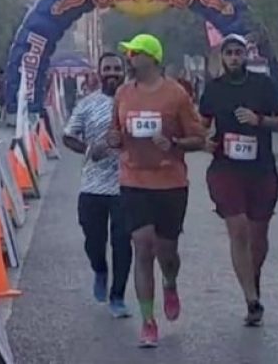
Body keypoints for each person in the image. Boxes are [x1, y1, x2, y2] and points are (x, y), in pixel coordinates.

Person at [107, 33, 206, 348]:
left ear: (152, 57)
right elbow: (116, 132)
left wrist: (173, 143)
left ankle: (170, 281)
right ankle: (148, 321)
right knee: (142, 245)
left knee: (166, 251)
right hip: (133, 179)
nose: (130, 57)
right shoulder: (123, 93)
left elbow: (199, 138)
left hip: (170, 182)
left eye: (135, 52)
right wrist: (113, 139)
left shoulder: (175, 94)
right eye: (128, 52)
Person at [199, 34, 278, 326]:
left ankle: (253, 280)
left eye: (239, 52)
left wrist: (260, 120)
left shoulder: (263, 85)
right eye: (229, 53)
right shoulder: (213, 89)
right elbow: (200, 126)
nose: (234, 57)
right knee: (238, 228)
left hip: (261, 169)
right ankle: (251, 300)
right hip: (226, 169)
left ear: (246, 55)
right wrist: (204, 141)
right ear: (222, 57)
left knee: (258, 235)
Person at [62, 53, 132, 318]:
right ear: (99, 73)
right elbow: (68, 137)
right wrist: (91, 149)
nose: (112, 73)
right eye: (108, 69)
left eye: (117, 68)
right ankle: (100, 269)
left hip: (126, 184)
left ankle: (118, 296)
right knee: (94, 241)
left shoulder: (134, 102)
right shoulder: (87, 104)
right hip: (92, 185)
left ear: (124, 71)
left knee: (123, 242)